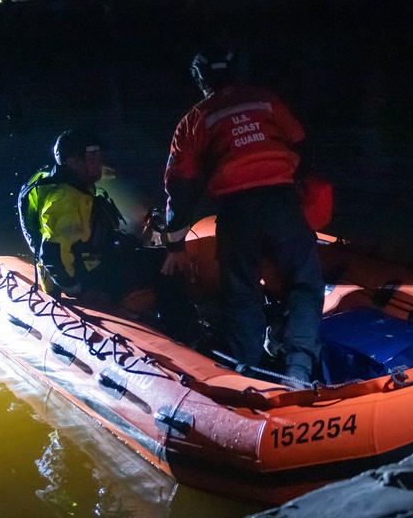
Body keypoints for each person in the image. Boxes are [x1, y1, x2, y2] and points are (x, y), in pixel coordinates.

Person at [161, 47, 325, 388]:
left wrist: (174, 242)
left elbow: (181, 184)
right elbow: (302, 147)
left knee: (240, 292)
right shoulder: (266, 101)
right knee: (305, 285)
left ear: (201, 80)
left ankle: (250, 376)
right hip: (283, 204)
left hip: (237, 211)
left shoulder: (196, 119)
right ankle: (298, 371)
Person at [18, 129, 193, 338]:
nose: (98, 159)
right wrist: (80, 292)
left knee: (141, 250)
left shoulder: (68, 184)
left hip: (91, 266)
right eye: (91, 155)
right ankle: (182, 335)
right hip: (87, 278)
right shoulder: (64, 200)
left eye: (98, 153)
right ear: (72, 160)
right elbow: (53, 254)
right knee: (166, 266)